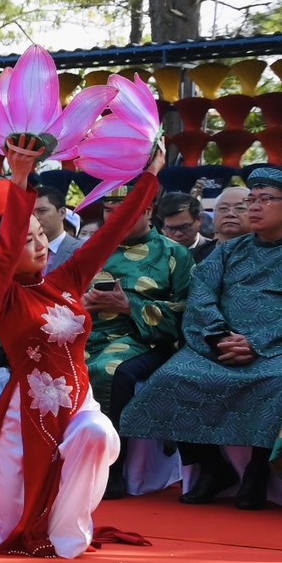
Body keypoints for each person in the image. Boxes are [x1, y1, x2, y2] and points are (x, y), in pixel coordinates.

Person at [0, 135, 166, 556]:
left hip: (78, 402)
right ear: (2, 252)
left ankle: (68, 529)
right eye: (24, 240)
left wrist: (150, 177)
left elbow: (110, 234)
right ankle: (40, 524)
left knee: (96, 433)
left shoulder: (64, 281)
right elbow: (3, 257)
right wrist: (20, 180)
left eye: (40, 235)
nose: (37, 245)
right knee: (14, 511)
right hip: (29, 412)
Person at [120, 164, 282, 508]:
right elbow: (201, 298)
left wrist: (257, 343)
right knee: (171, 376)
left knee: (281, 382)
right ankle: (211, 467)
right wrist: (217, 338)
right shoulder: (227, 251)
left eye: (265, 200)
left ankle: (257, 470)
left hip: (278, 348)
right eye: (251, 200)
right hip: (220, 344)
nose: (253, 207)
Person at [79, 187, 197, 494]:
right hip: (88, 332)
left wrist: (129, 306)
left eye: (125, 210)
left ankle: (110, 468)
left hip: (146, 340)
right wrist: (81, 302)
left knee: (110, 369)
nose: (114, 217)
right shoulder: (91, 249)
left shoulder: (174, 254)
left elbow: (189, 311)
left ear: (147, 211)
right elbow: (62, 294)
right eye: (109, 210)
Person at [157, 190, 216, 261]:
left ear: (199, 220)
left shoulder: (216, 252)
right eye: (171, 228)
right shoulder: (154, 254)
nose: (178, 234)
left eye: (184, 227)